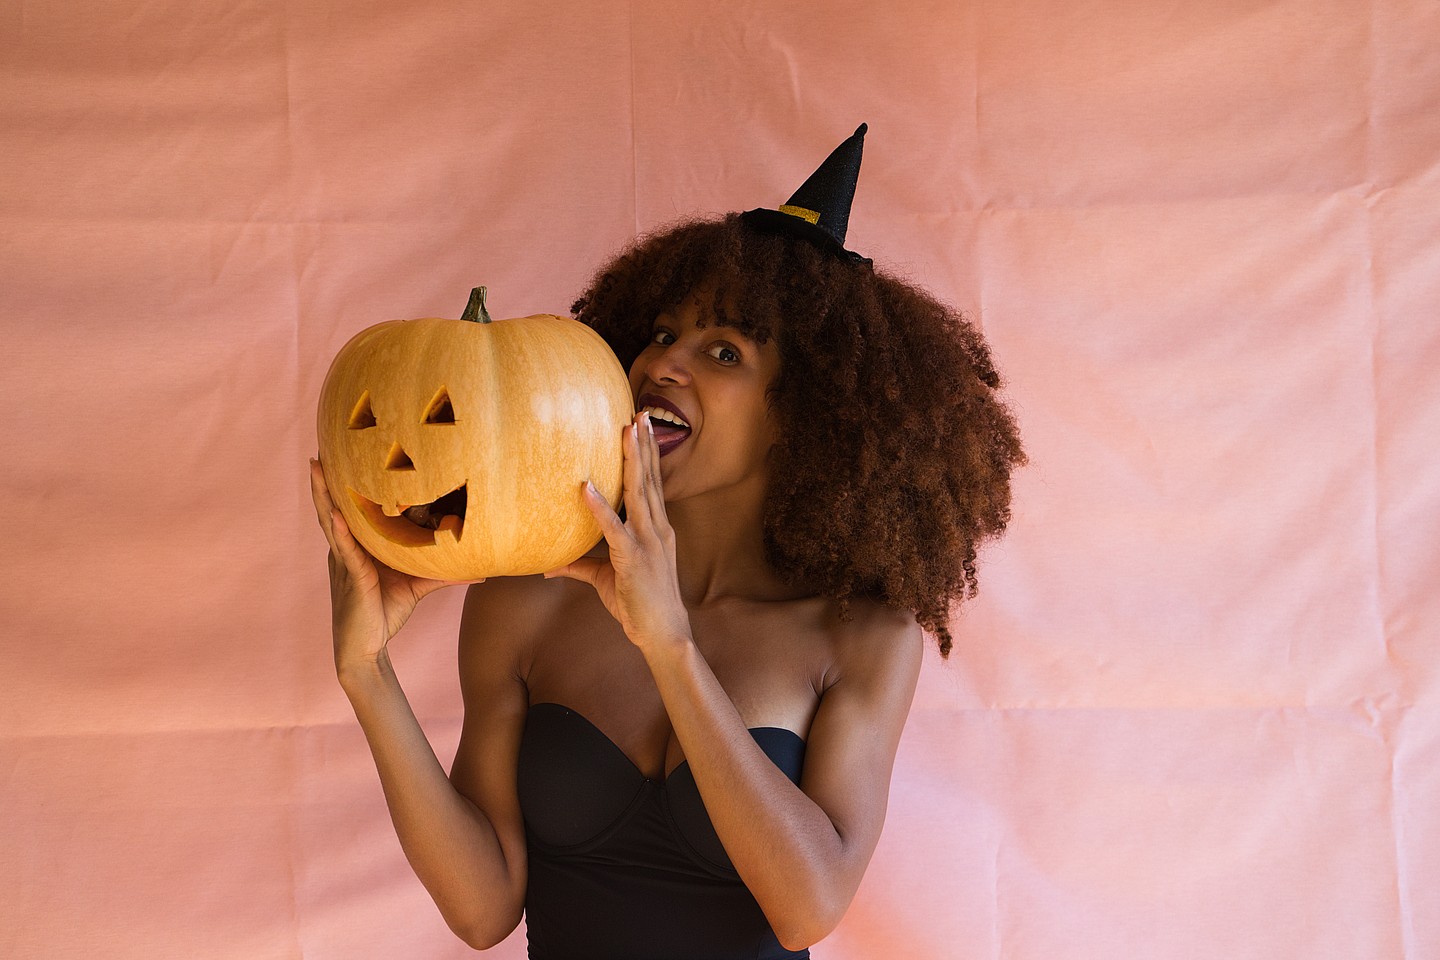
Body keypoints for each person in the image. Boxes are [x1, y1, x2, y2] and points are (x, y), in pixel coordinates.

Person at [309, 125, 1025, 959]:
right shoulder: (526, 596)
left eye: (723, 351)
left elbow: (808, 905)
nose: (663, 364)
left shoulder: (861, 633)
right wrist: (365, 673)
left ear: (804, 417)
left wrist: (669, 645)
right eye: (661, 332)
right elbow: (483, 908)